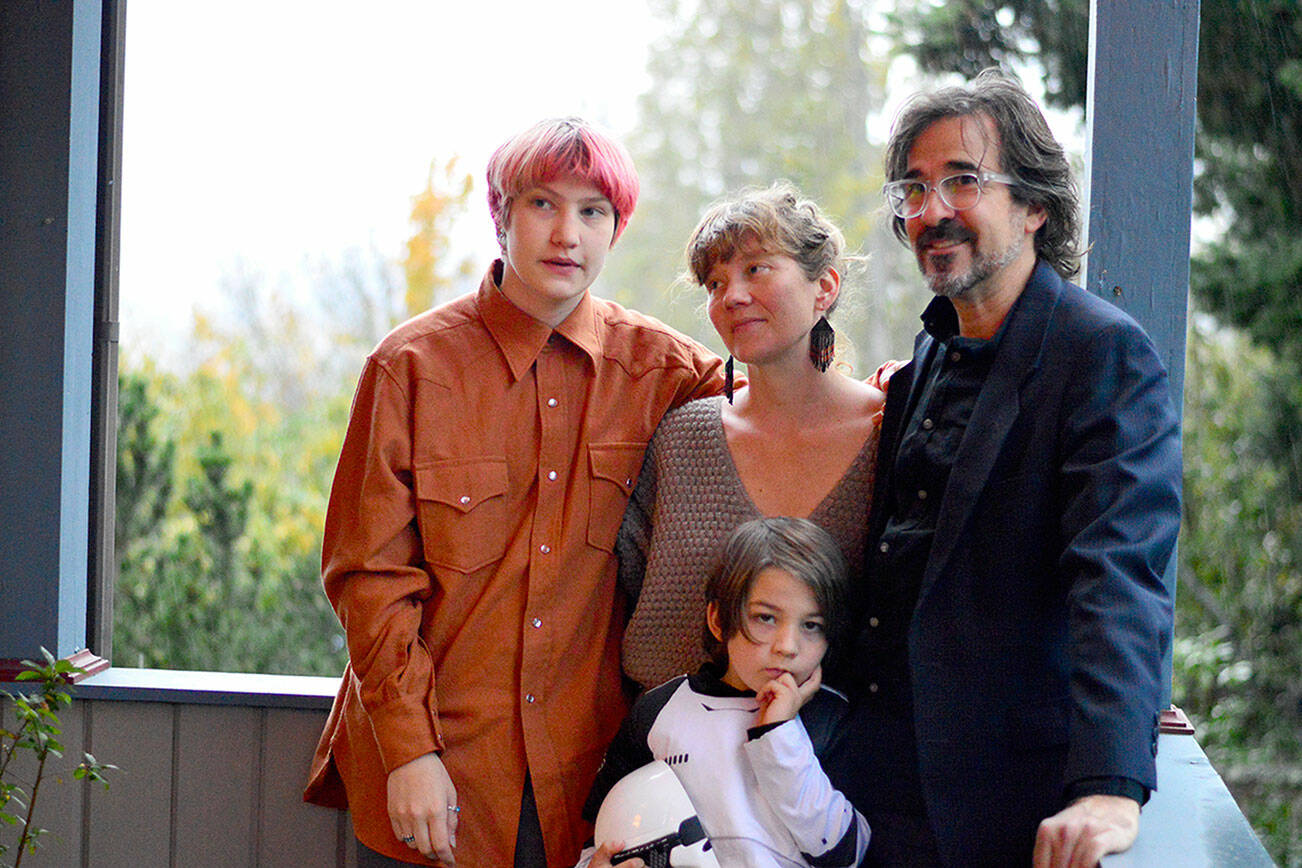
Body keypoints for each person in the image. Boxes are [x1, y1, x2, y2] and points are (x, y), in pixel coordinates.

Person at [302, 117, 730, 868]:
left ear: (617, 229)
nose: (567, 232)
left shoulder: (667, 372)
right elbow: (368, 578)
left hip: (592, 783)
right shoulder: (409, 368)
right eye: (542, 204)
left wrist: (880, 394)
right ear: (501, 217)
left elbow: (776, 410)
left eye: (593, 211)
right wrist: (409, 753)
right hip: (438, 777)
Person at [826, 68, 1182, 866]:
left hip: (998, 816)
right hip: (871, 798)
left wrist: (1110, 786)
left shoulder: (1103, 354)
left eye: (963, 180)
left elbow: (1120, 577)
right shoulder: (927, 357)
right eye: (914, 190)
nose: (932, 211)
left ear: (1034, 205)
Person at [616, 182, 890, 693]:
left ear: (824, 288)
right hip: (671, 757)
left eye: (755, 269)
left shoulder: (889, 436)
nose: (732, 296)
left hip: (835, 760)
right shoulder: (682, 440)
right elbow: (624, 593)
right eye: (715, 283)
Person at [582, 517, 870, 868]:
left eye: (811, 625)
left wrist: (779, 735)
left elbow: (847, 853)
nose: (788, 646)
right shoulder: (659, 711)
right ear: (718, 620)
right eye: (766, 618)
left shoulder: (831, 718)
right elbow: (602, 832)